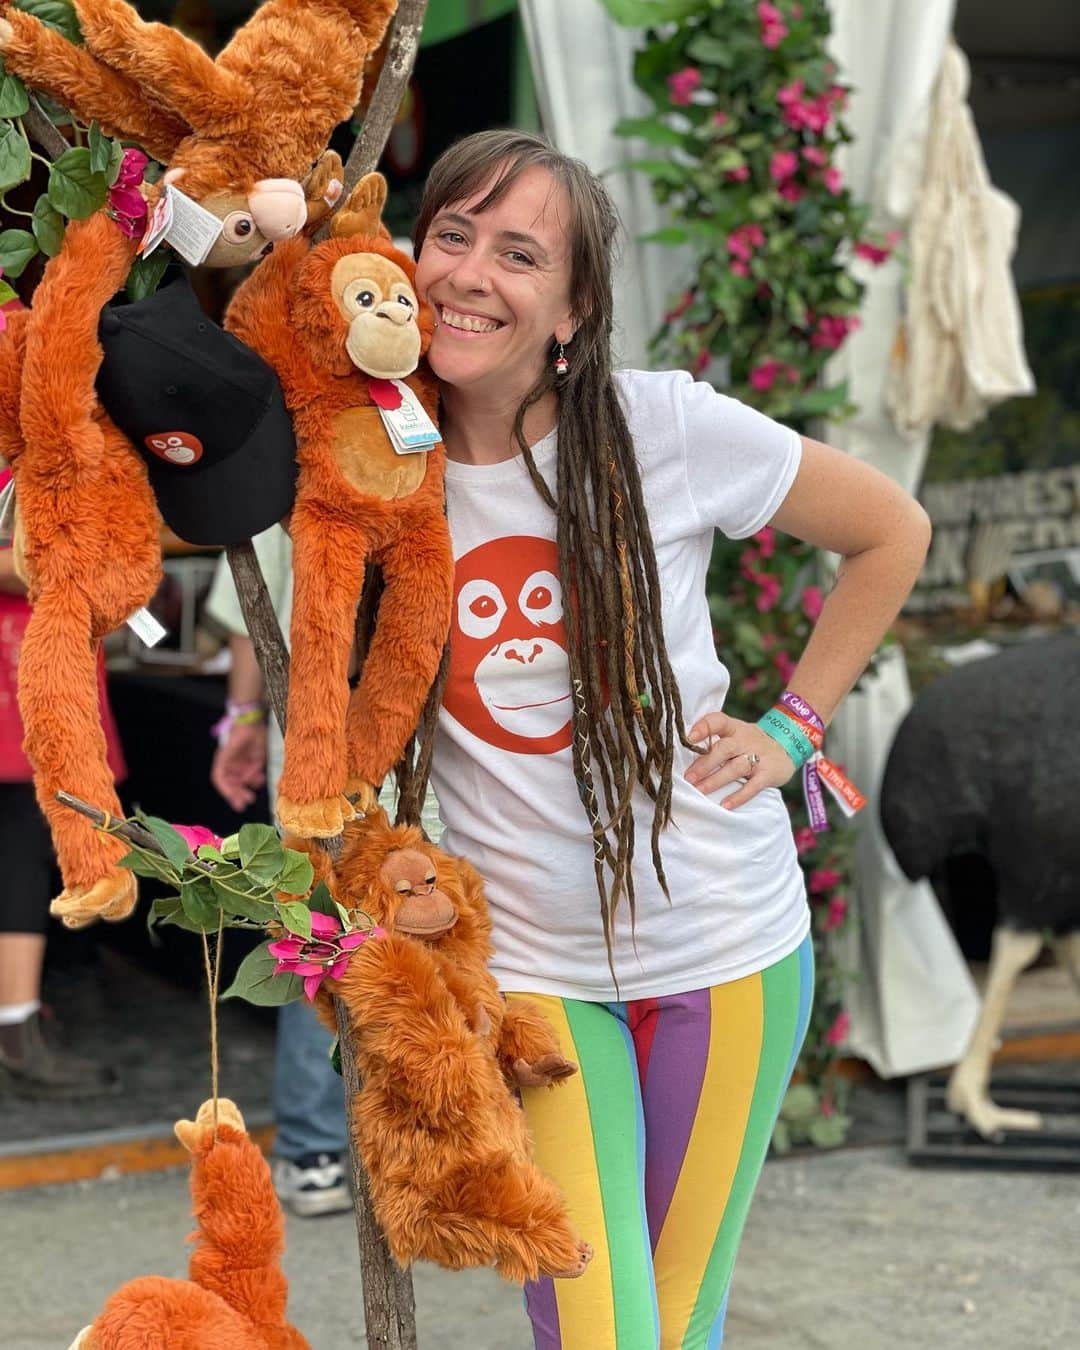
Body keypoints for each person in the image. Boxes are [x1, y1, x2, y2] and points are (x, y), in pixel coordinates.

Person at [403, 130, 931, 1349]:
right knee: (594, 1326)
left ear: (573, 309)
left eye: (520, 253)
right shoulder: (379, 470)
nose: (473, 273)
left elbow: (888, 530)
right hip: (536, 973)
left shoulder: (662, 429)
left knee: (674, 1319)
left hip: (724, 949)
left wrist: (796, 727)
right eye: (453, 234)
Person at [206, 528, 353, 1218]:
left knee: (320, 933)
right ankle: (323, 1145)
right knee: (330, 930)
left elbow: (246, 602)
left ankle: (317, 1149)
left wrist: (243, 715)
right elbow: (247, 600)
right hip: (343, 738)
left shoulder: (276, 460)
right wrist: (245, 717)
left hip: (316, 742)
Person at [0, 465, 120, 1097]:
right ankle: (15, 1027)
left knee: (26, 841)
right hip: (18, 658)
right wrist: (70, 566)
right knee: (21, 841)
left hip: (41, 660)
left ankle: (17, 1021)